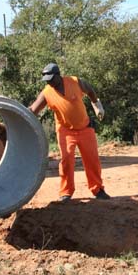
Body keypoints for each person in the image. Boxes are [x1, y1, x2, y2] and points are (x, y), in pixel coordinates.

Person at [28, 63, 109, 202]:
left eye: (51, 79)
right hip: (65, 131)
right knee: (66, 162)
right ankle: (66, 192)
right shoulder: (47, 93)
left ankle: (98, 189)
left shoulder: (75, 82)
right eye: (46, 80)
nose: (49, 82)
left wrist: (97, 105)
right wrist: (18, 113)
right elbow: (33, 110)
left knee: (92, 160)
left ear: (59, 75)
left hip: (85, 128)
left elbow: (90, 90)